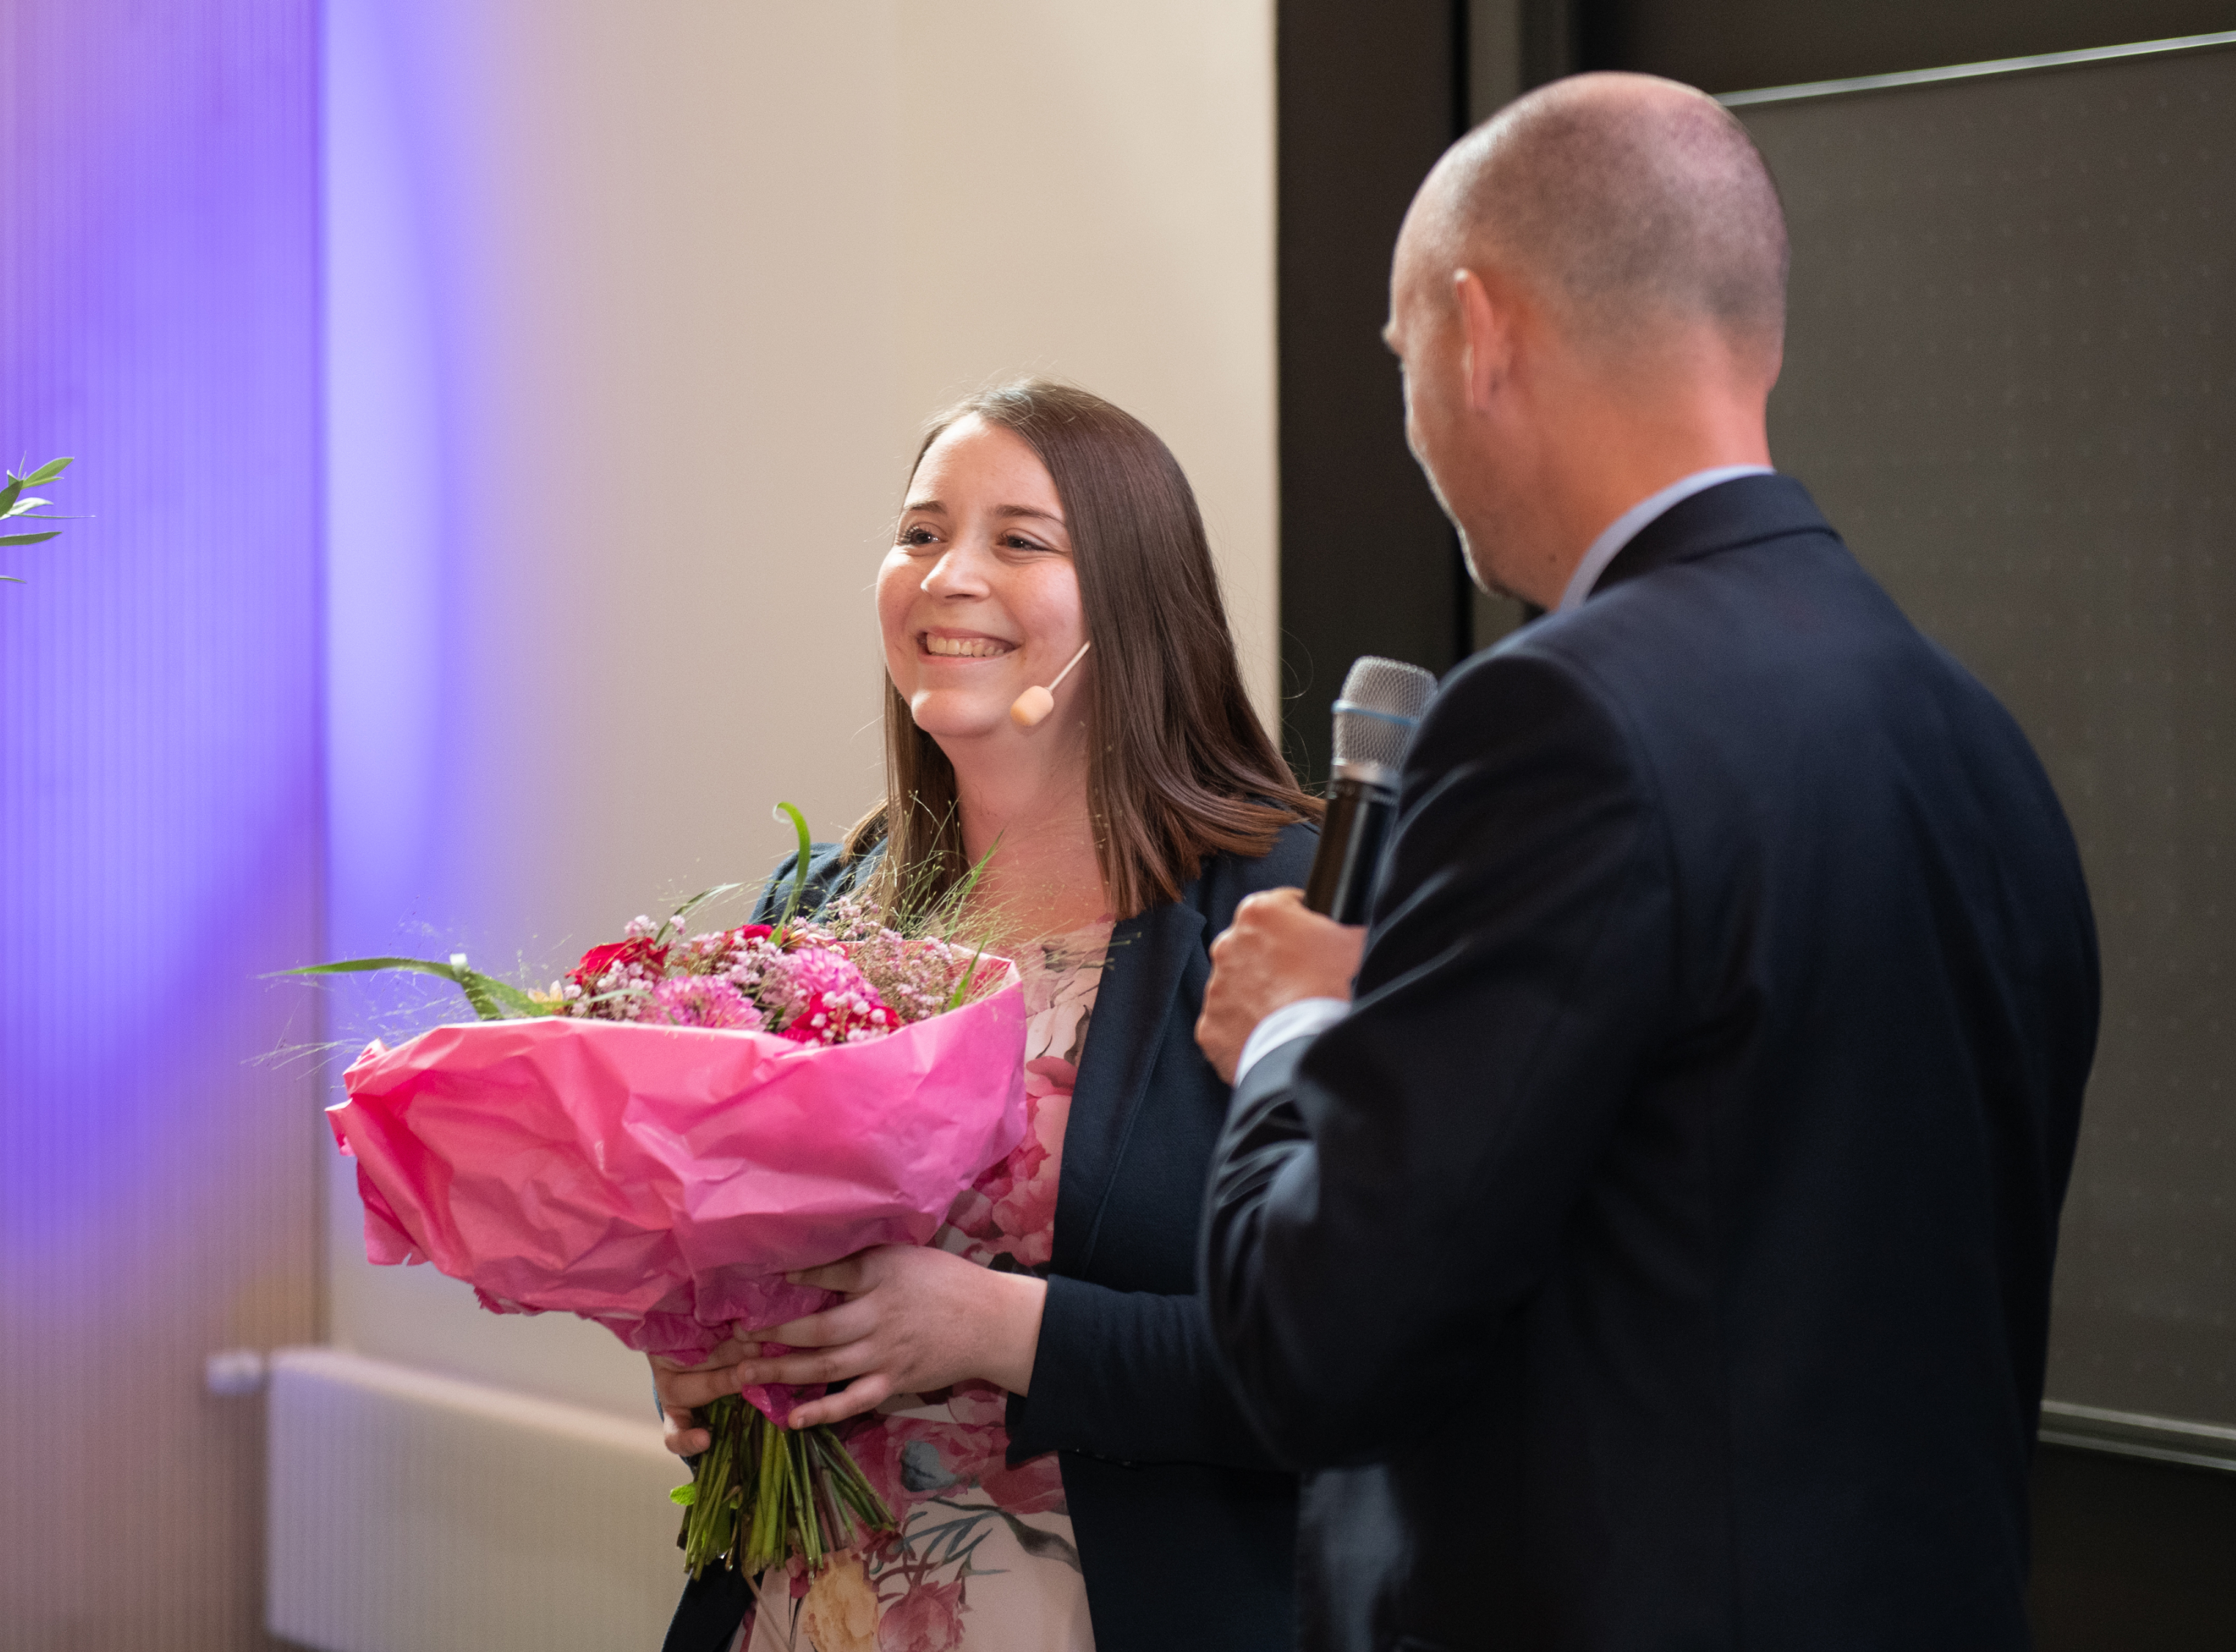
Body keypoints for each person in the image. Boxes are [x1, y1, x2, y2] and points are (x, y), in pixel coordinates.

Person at [1194, 74, 2100, 1650]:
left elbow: (1315, 1339)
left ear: (1481, 335)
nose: (1413, 417)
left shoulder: (1557, 720)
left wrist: (1293, 1030)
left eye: (1405, 359)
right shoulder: (1975, 738)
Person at [658, 379, 1320, 1652]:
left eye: (1019, 540)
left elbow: (1348, 1362)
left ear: (1135, 601)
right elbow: (734, 1261)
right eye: (918, 535)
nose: (946, 575)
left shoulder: (1280, 914)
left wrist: (989, 1327)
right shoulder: (816, 911)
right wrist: (705, 1360)